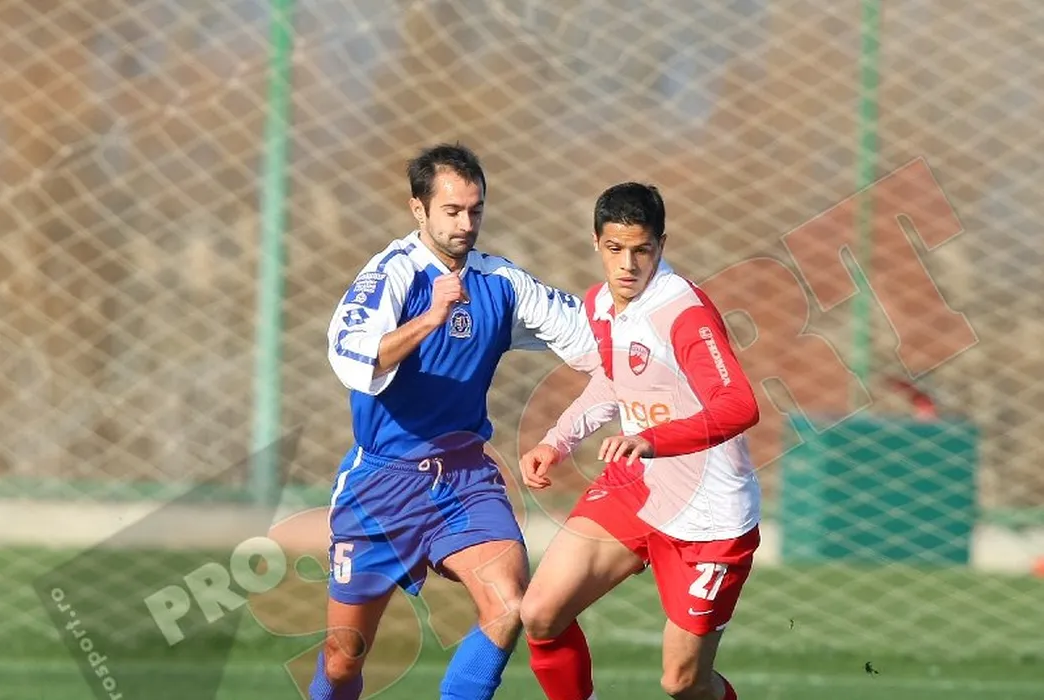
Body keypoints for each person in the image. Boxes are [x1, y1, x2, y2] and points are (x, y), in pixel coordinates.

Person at [314, 143, 598, 700]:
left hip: (463, 478)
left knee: (509, 606)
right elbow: (352, 359)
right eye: (452, 211)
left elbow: (592, 338)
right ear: (418, 209)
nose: (466, 224)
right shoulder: (391, 274)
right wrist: (430, 318)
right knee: (343, 658)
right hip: (382, 484)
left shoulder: (501, 282)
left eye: (475, 210)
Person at [518, 182, 762, 700]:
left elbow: (739, 405)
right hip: (639, 487)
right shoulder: (600, 303)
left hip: (708, 517)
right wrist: (557, 441)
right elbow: (614, 381)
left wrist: (654, 440)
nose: (627, 265)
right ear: (596, 242)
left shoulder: (682, 313)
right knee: (540, 613)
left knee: (683, 683)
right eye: (615, 249)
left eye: (641, 250)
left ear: (661, 245)